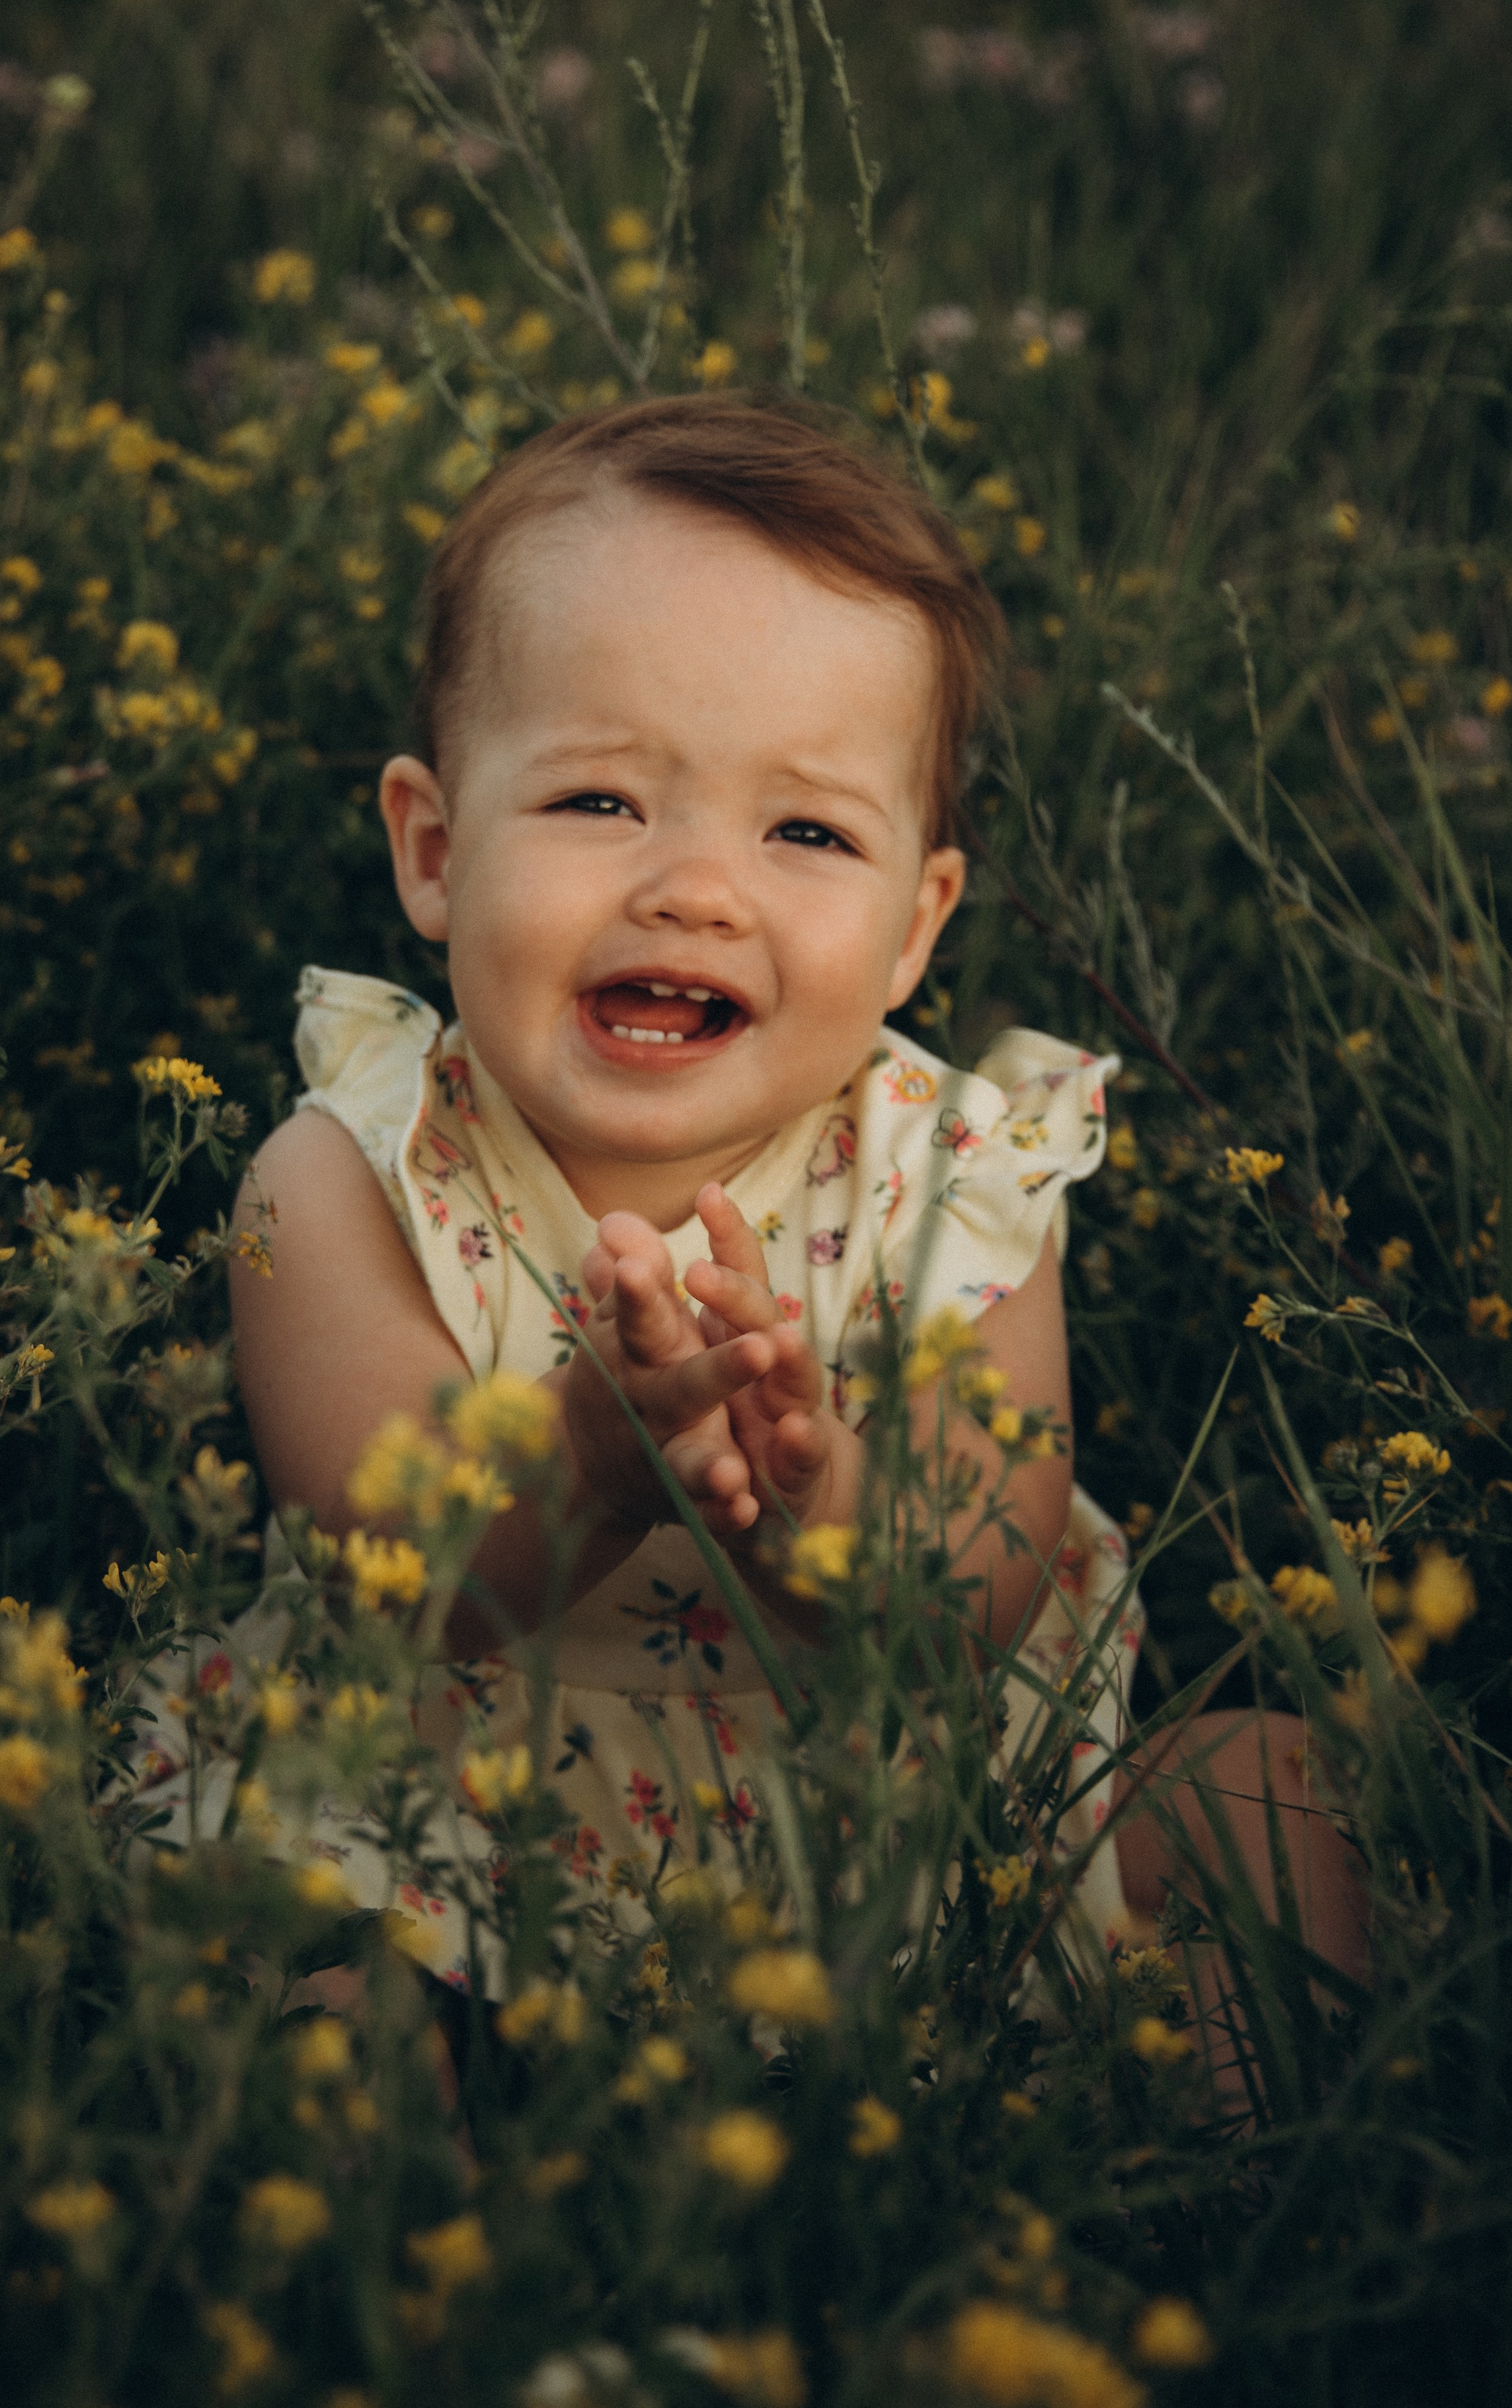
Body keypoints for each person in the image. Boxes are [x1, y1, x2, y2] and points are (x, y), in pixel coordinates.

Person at [228, 396, 1366, 2043]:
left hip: (896, 1823)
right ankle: (423, 2255)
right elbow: (394, 1562)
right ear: (429, 846)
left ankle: (1193, 2191)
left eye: (804, 832)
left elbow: (981, 1576)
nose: (694, 886)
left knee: (1273, 1787)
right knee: (328, 2011)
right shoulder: (347, 1172)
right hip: (446, 1829)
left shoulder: (954, 1181)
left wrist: (817, 1497)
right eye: (599, 804)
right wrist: (592, 1461)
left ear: (913, 931)